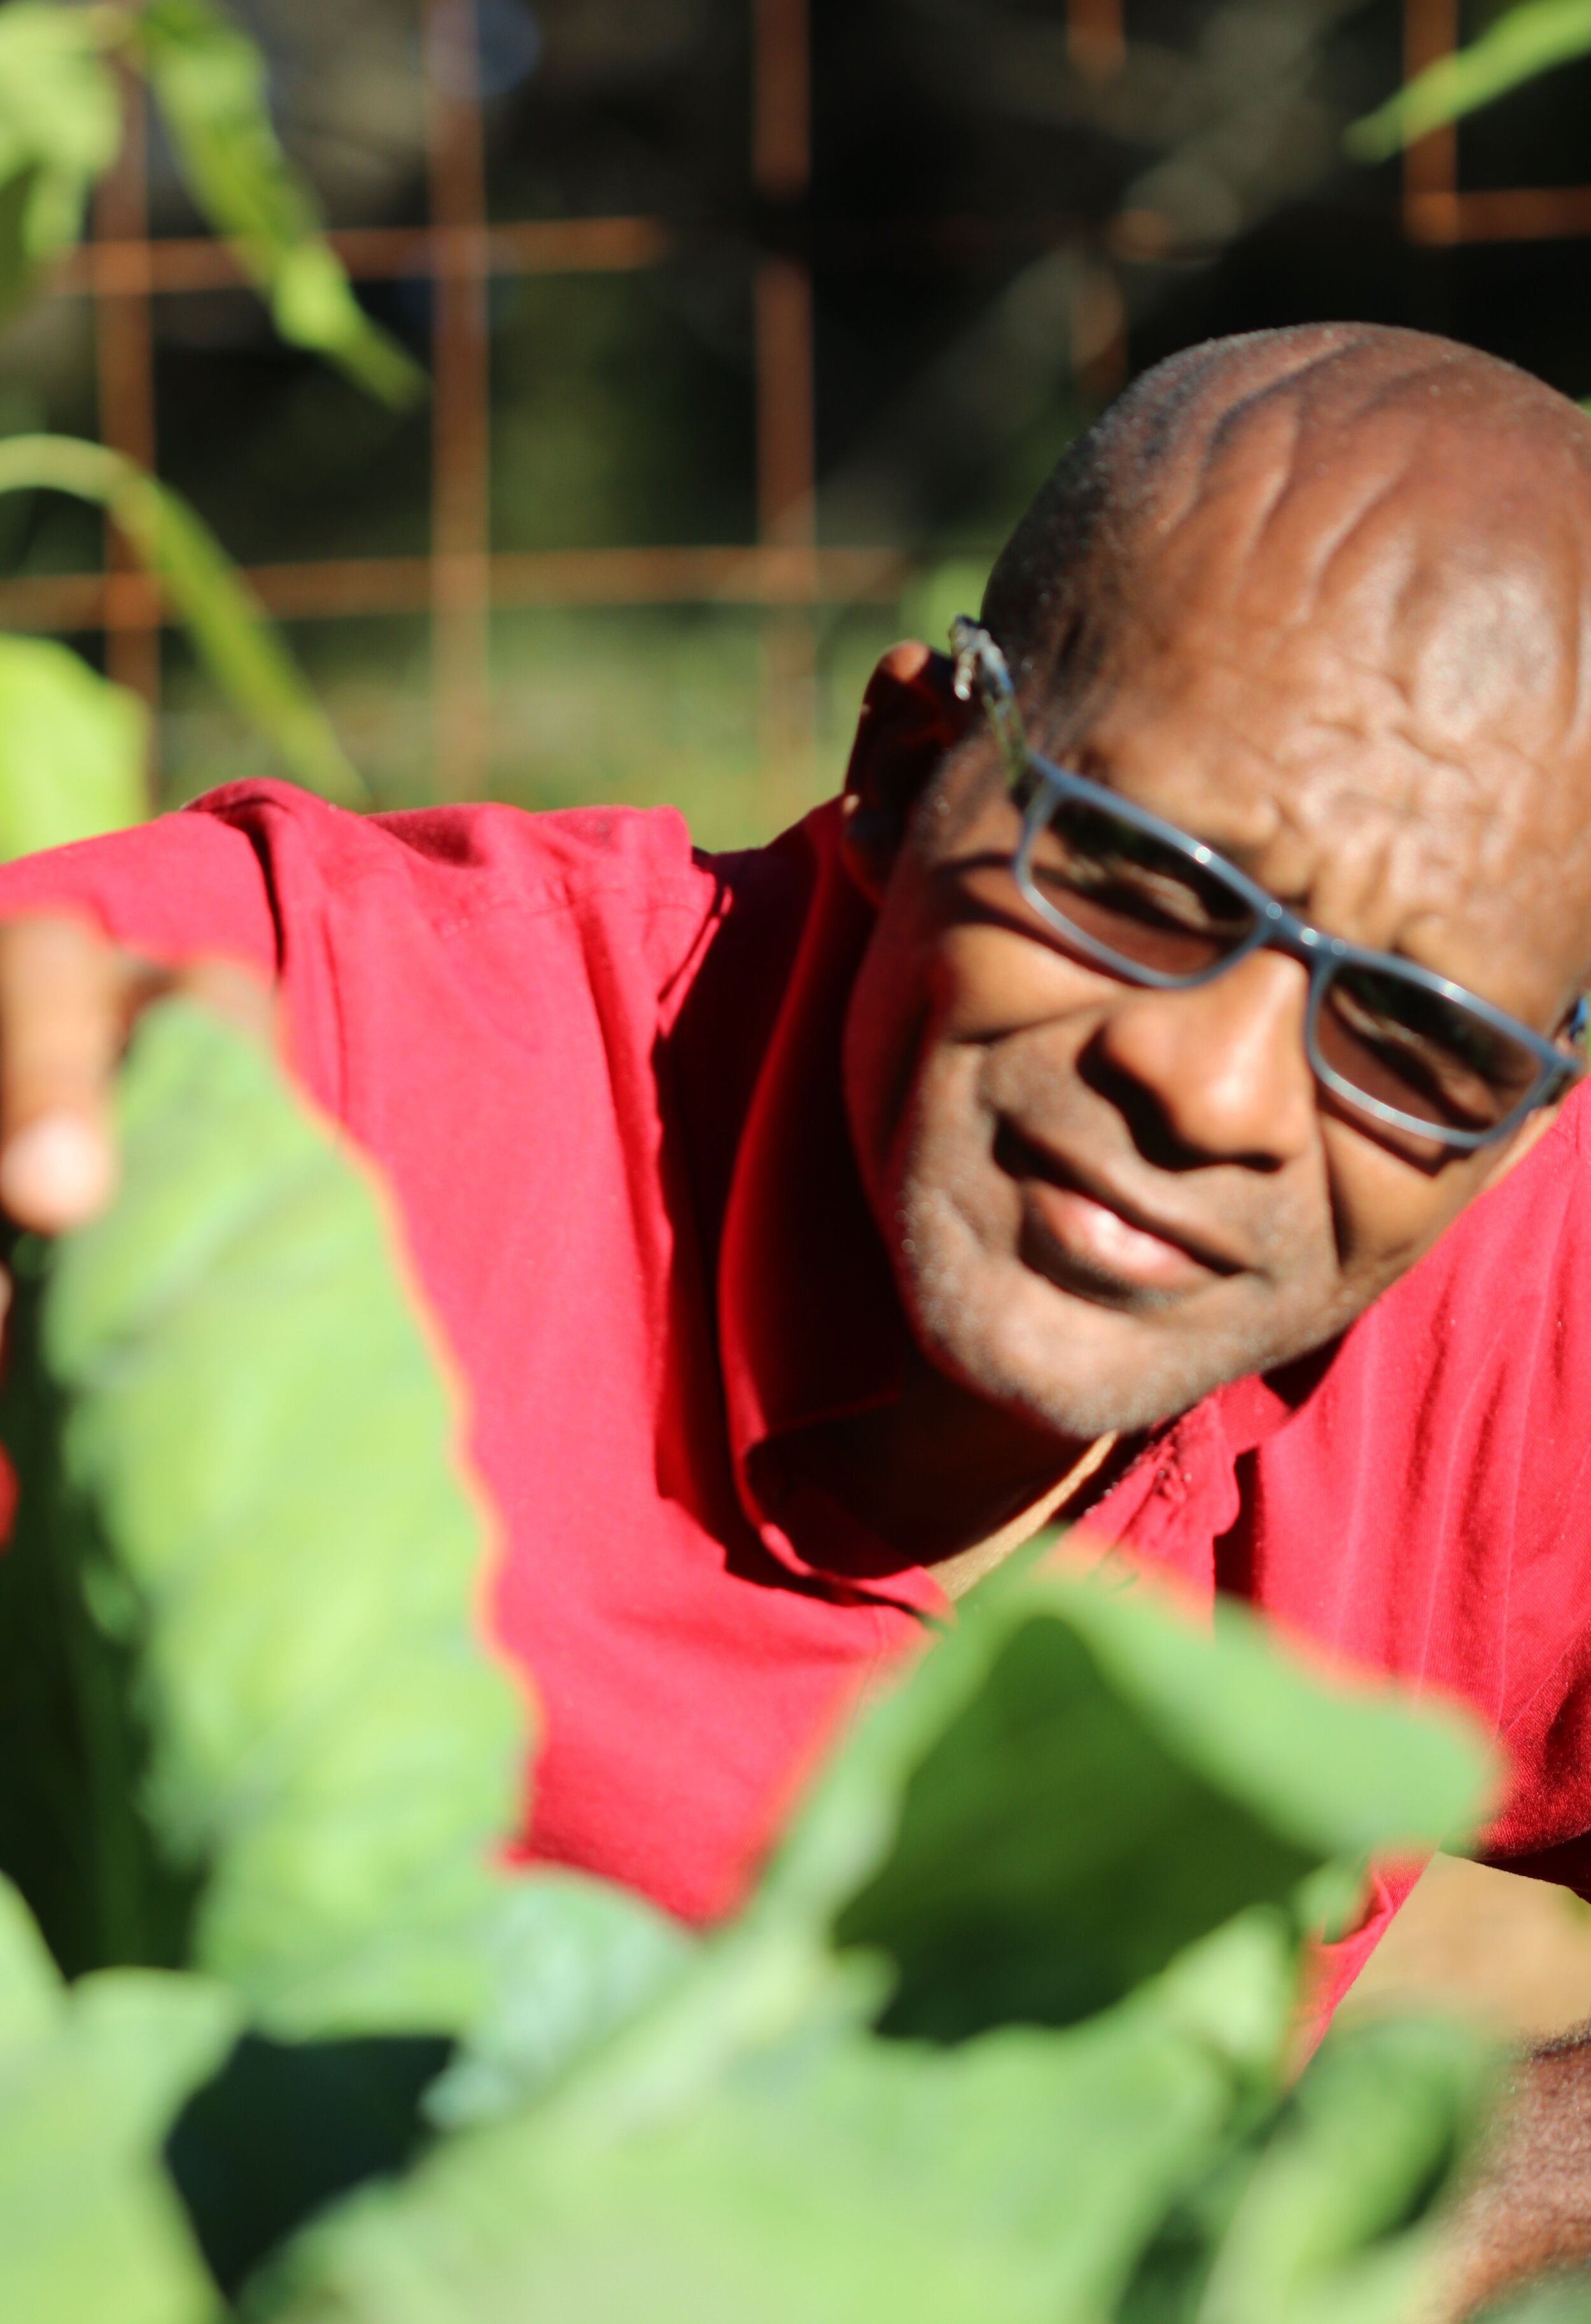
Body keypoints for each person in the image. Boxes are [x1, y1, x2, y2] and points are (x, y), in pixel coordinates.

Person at [2, 318, 1590, 2307]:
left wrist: (1356, 2235)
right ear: (903, 769)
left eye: (1419, 1036)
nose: (1219, 1091)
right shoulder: (344, 1061)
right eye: (1133, 881)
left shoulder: (1515, 1316)